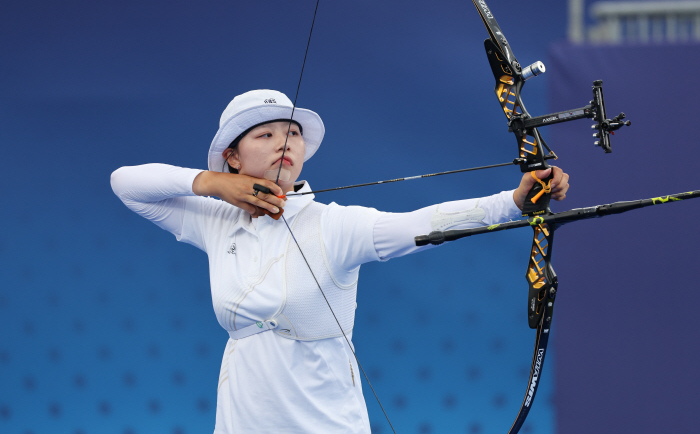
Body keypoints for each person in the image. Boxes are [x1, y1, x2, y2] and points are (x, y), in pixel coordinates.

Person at [110, 89, 569, 434]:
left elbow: (424, 223)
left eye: (293, 133)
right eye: (265, 134)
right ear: (232, 156)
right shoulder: (215, 220)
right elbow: (125, 183)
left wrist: (511, 202)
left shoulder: (335, 226)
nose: (284, 142)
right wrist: (213, 184)